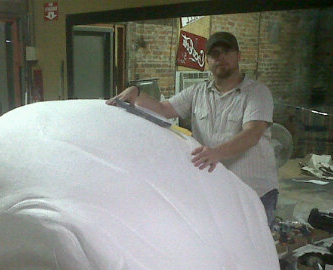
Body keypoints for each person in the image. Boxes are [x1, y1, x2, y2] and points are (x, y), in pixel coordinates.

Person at [106, 31, 278, 227]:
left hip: (254, 192)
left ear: (238, 56)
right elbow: (163, 109)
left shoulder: (257, 92)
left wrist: (216, 153)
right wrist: (136, 93)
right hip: (218, 189)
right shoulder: (197, 92)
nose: (220, 58)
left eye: (226, 52)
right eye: (214, 54)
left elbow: (253, 134)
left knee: (256, 243)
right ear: (207, 61)